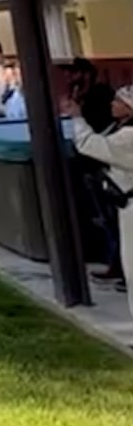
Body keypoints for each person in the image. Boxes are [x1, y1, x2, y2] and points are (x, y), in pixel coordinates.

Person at [64, 86, 133, 315]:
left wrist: (76, 118)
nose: (112, 104)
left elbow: (91, 145)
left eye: (118, 100)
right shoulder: (121, 129)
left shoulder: (128, 137)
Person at [63, 57, 124, 289]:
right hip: (90, 164)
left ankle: (119, 267)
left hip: (104, 165)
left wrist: (78, 113)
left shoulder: (100, 95)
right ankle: (115, 264)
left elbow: (99, 134)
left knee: (113, 219)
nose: (68, 78)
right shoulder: (80, 94)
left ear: (85, 73)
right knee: (106, 220)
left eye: (72, 73)